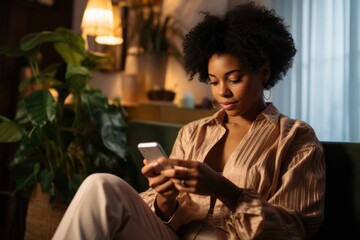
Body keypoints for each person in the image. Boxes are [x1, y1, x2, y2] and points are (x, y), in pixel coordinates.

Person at [52, 2, 325, 239]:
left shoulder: (295, 138)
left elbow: (294, 230)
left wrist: (224, 189)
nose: (222, 92)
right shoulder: (193, 133)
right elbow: (163, 215)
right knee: (101, 186)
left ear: (264, 73)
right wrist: (164, 198)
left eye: (234, 79)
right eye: (214, 81)